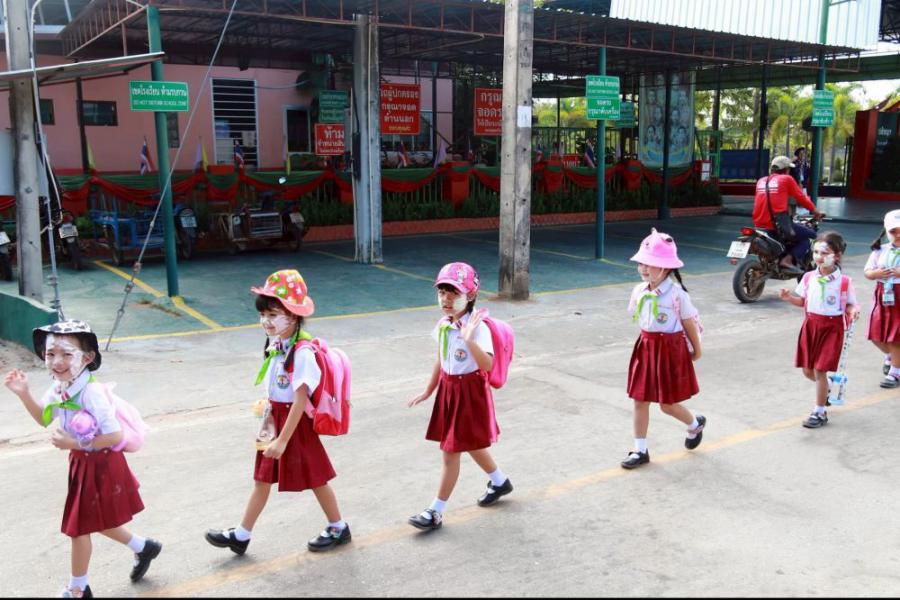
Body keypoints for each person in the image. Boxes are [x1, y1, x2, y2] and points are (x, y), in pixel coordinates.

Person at [4, 320, 161, 598]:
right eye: (50, 353)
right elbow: (43, 418)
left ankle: (78, 588)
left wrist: (73, 443)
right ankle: (143, 547)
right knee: (95, 520)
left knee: (78, 528)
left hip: (103, 464)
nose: (57, 361)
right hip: (82, 462)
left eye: (67, 354)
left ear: (87, 358)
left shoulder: (92, 392)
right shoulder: (60, 386)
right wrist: (24, 393)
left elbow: (114, 435)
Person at [205, 269, 351, 555]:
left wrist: (283, 440)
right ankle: (242, 534)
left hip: (293, 424)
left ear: (293, 316)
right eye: (263, 314)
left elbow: (299, 400)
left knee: (316, 477)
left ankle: (338, 527)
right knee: (262, 478)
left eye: (273, 314)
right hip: (273, 420)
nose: (266, 321)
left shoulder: (303, 352)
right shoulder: (277, 345)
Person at [407, 262, 512, 531]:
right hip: (449, 389)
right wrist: (429, 390)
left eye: (454, 293)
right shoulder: (444, 324)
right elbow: (441, 358)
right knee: (469, 443)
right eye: (442, 292)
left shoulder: (478, 328)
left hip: (470, 391)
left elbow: (487, 364)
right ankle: (500, 481)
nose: (446, 299)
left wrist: (469, 340)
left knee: (451, 451)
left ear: (471, 295)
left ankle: (435, 511)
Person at [622, 230, 706, 470]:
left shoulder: (677, 295)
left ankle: (694, 424)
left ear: (666, 268)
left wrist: (697, 350)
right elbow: (640, 319)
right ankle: (640, 450)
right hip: (647, 348)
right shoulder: (639, 291)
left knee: (667, 404)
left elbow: (689, 324)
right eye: (641, 263)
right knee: (640, 399)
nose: (643, 268)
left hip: (670, 350)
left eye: (650, 263)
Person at [780, 232, 860, 427]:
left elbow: (851, 304)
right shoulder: (808, 277)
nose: (819, 257)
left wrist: (853, 310)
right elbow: (803, 301)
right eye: (816, 252)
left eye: (824, 253)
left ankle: (819, 412)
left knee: (820, 370)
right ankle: (828, 387)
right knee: (808, 371)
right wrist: (789, 298)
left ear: (837, 255)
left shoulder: (844, 282)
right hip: (810, 326)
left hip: (832, 329)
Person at [752, 155, 825, 274]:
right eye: (789, 169)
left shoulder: (761, 181)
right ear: (786, 169)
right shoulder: (786, 179)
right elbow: (801, 198)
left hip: (759, 225)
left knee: (793, 235)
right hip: (778, 224)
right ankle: (787, 260)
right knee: (810, 236)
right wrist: (816, 212)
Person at [863, 209, 900, 388]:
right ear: (886, 231)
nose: (898, 235)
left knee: (896, 337)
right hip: (883, 296)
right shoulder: (880, 250)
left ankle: (895, 373)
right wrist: (876, 273)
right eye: (893, 231)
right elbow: (867, 271)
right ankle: (892, 356)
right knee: (875, 334)